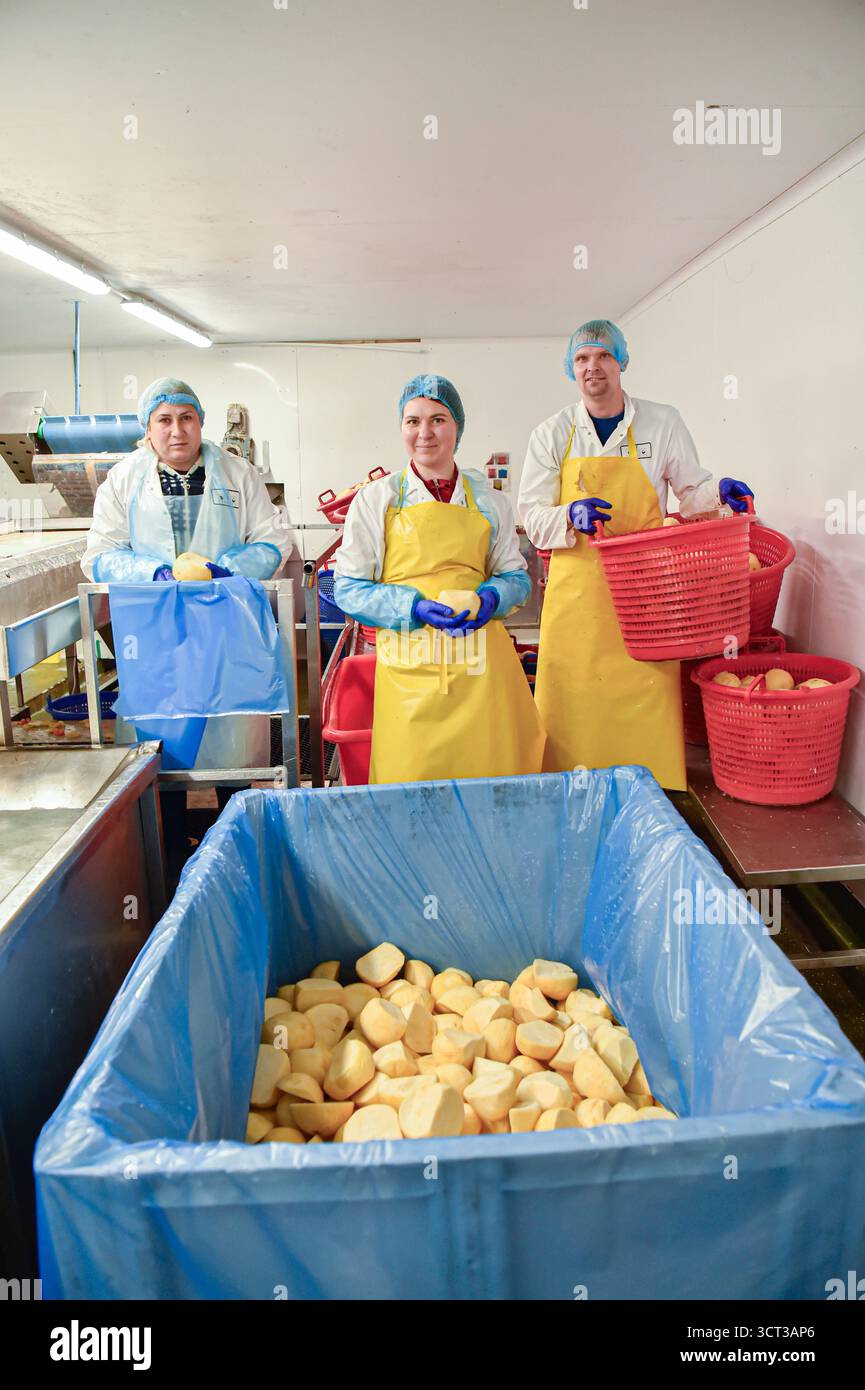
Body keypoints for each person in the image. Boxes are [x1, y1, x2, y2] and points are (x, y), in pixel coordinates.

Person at [519, 320, 753, 791]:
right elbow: (529, 512)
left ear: (621, 361)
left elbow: (692, 492)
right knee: (573, 703)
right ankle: (569, 794)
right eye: (582, 358)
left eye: (603, 356)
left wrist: (721, 495)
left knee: (647, 698)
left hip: (646, 596)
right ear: (571, 368)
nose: (593, 367)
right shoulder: (552, 433)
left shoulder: (662, 421)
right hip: (577, 597)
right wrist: (570, 515)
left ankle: (653, 795)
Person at [334, 373, 545, 783]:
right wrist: (413, 607)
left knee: (490, 782)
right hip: (410, 679)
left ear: (457, 428)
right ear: (401, 429)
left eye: (438, 419)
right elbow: (348, 588)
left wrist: (490, 600)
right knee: (411, 786)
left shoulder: (489, 500)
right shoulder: (378, 499)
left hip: (484, 675)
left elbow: (515, 577)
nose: (425, 432)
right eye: (413, 421)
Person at [81, 377, 290, 581]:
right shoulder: (122, 479)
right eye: (164, 420)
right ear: (148, 428)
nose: (177, 431)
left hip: (225, 605)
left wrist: (230, 572)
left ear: (200, 421)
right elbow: (100, 556)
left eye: (186, 418)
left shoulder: (239, 473)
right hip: (151, 608)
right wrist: (151, 574)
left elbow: (272, 540)